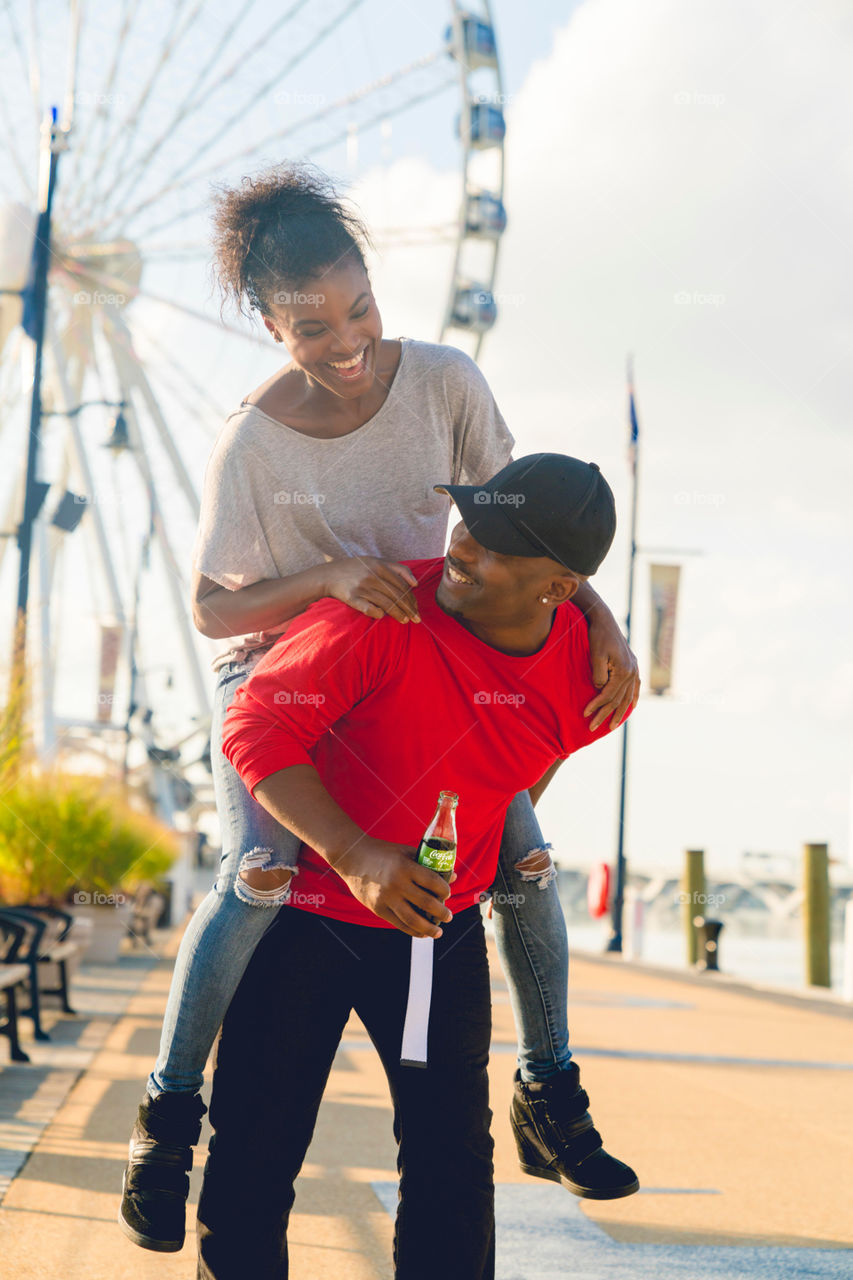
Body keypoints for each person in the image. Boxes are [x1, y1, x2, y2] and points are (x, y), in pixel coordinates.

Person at [119, 163, 639, 1254]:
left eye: (360, 309)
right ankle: (169, 1114)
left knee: (521, 857)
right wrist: (322, 581)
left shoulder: (444, 383)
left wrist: (605, 621)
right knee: (259, 874)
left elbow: (525, 517)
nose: (347, 341)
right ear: (269, 324)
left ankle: (547, 1083)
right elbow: (215, 607)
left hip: (419, 645)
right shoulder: (254, 442)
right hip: (286, 660)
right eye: (313, 326)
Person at [196, 454, 636, 1280]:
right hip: (304, 922)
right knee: (254, 1154)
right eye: (468, 520)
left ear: (556, 587)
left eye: (496, 543)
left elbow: (521, 767)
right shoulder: (379, 614)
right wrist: (359, 854)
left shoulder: (591, 678)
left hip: (438, 935)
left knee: (451, 1167)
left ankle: (545, 1102)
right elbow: (256, 730)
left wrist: (458, 846)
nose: (463, 544)